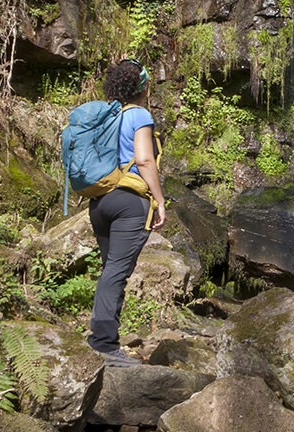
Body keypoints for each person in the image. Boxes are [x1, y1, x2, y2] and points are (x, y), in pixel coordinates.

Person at [87, 59, 167, 366]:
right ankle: (104, 345)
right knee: (116, 272)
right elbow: (145, 161)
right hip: (128, 202)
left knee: (111, 271)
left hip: (99, 202)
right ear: (143, 87)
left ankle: (105, 340)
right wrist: (159, 200)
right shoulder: (139, 114)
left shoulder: (104, 115)